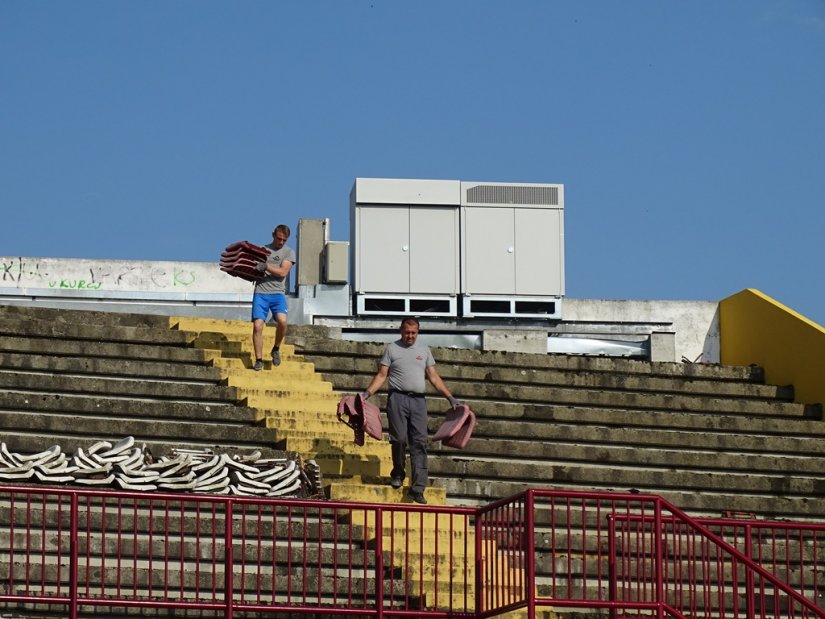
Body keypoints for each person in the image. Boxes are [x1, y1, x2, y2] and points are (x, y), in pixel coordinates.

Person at [361, 317, 460, 504]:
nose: (410, 336)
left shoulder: (424, 350)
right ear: (401, 331)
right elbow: (382, 375)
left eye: (414, 333)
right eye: (407, 332)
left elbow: (433, 377)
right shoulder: (392, 349)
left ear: (418, 332)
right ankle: (398, 471)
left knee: (419, 443)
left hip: (418, 401)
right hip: (397, 398)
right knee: (398, 439)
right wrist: (366, 394)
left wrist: (450, 398)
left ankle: (418, 488)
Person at [251, 224, 296, 371]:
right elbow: (252, 267)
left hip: (277, 293)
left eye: (284, 240)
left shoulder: (289, 252)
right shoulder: (262, 250)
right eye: (279, 239)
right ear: (273, 235)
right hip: (261, 292)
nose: (281, 242)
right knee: (258, 326)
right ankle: (259, 360)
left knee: (283, 322)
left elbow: (283, 272)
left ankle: (276, 348)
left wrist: (266, 267)